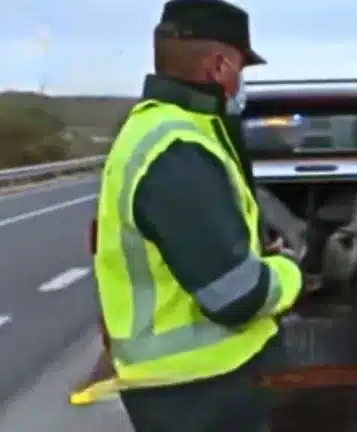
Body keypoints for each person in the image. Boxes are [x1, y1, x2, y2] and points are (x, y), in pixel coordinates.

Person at [92, 0, 303, 430]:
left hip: (191, 385)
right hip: (196, 391)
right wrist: (289, 270)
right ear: (218, 66)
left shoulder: (170, 129)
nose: (241, 82)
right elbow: (236, 297)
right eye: (241, 68)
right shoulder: (177, 147)